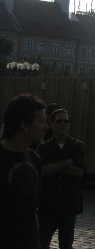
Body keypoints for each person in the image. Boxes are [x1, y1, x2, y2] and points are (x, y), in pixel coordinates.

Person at [0, 93, 48, 249]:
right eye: (41, 121)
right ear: (24, 125)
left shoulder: (34, 159)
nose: (46, 127)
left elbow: (33, 209)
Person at [36, 109, 87, 249]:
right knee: (42, 243)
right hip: (47, 205)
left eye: (66, 121)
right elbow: (43, 170)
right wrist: (67, 162)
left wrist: (54, 165)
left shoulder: (78, 146)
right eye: (59, 121)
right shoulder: (43, 147)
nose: (62, 124)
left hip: (69, 205)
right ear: (51, 124)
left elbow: (79, 171)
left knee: (66, 244)